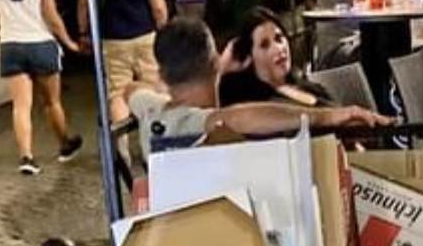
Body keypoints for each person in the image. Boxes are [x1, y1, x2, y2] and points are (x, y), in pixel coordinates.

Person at [127, 17, 384, 158]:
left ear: (162, 74)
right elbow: (236, 117)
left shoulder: (152, 111)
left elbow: (131, 89)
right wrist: (331, 116)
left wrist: (163, 91)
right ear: (214, 61)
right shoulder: (197, 123)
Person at [0, 0, 84, 178]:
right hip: (41, 46)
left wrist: (3, 39)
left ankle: (27, 156)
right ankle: (64, 143)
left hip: (11, 47)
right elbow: (53, 19)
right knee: (52, 102)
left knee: (21, 105)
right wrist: (70, 43)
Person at [219, 9, 332, 108]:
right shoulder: (260, 108)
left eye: (279, 38)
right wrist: (223, 69)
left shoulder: (310, 87)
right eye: (264, 45)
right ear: (249, 58)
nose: (278, 49)